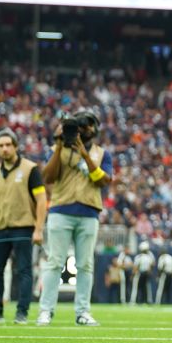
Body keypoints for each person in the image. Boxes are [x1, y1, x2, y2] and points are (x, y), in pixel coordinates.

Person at [37, 110, 112, 327]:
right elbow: (48, 177)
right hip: (61, 210)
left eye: (88, 125)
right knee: (54, 262)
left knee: (85, 265)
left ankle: (82, 312)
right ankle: (45, 310)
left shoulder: (101, 153)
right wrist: (60, 145)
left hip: (89, 212)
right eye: (80, 125)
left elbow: (103, 181)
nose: (84, 129)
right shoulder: (58, 149)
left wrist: (84, 155)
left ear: (95, 129)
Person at [0, 128, 47, 324]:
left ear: (15, 146)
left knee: (24, 270)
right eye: (0, 146)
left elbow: (41, 200)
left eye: (8, 145)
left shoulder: (30, 169)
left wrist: (39, 228)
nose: (4, 149)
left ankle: (21, 313)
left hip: (23, 226)